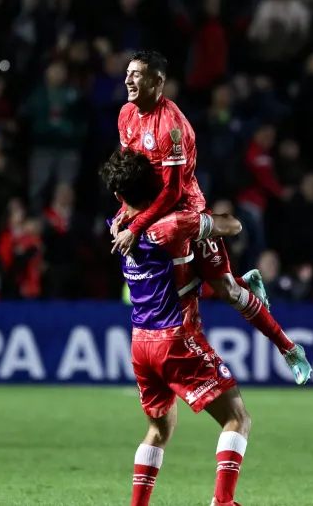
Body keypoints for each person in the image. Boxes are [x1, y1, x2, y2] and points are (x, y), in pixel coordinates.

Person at [111, 50, 311, 385]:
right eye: (127, 73)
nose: (129, 79)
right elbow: (131, 176)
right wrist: (124, 210)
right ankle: (245, 284)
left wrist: (135, 226)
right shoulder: (126, 116)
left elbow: (173, 192)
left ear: (158, 83)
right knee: (182, 291)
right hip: (153, 217)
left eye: (137, 74)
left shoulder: (171, 127)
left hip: (185, 213)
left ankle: (290, 350)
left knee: (227, 291)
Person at [100, 152, 248, 506]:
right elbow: (233, 225)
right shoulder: (170, 225)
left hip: (140, 343)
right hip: (175, 337)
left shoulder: (117, 225)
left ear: (120, 195)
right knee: (236, 418)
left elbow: (128, 206)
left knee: (158, 429)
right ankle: (223, 503)